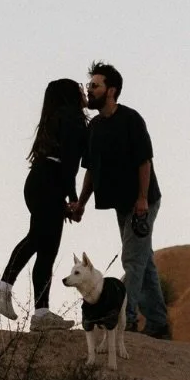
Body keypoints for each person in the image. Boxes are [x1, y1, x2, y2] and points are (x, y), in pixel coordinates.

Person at [70, 62, 170, 338]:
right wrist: (80, 203)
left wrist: (141, 200)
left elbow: (144, 161)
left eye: (95, 85)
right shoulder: (96, 128)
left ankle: (126, 317)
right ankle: (159, 323)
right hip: (121, 203)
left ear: (111, 90)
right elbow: (91, 169)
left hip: (143, 201)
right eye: (89, 85)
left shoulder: (130, 119)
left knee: (132, 259)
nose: (90, 90)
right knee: (143, 260)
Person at [0, 78, 88, 331]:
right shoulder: (72, 118)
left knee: (47, 248)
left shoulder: (56, 118)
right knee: (38, 239)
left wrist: (63, 199)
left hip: (42, 182)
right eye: (79, 88)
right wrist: (73, 199)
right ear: (70, 95)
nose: (84, 91)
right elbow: (69, 164)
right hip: (49, 182)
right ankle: (2, 288)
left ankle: (41, 314)